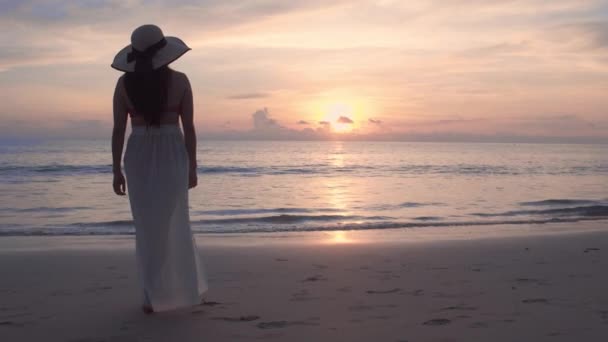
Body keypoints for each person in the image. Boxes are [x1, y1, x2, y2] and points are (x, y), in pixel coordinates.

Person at [110, 24, 208, 314]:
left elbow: (118, 130)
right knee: (171, 221)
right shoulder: (181, 81)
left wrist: (116, 169)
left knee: (147, 226)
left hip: (138, 152)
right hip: (171, 151)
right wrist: (192, 166)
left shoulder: (124, 84)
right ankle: (172, 289)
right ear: (164, 52)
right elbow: (187, 128)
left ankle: (151, 293)